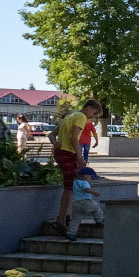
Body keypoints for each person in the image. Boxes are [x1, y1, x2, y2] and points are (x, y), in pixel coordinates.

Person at [52, 98, 103, 234]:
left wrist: (55, 143)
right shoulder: (81, 117)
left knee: (70, 186)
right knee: (69, 189)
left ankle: (63, 218)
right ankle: (61, 221)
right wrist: (80, 157)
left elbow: (52, 134)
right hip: (69, 153)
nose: (93, 117)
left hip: (60, 152)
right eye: (94, 112)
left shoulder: (70, 116)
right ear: (89, 108)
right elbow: (74, 137)